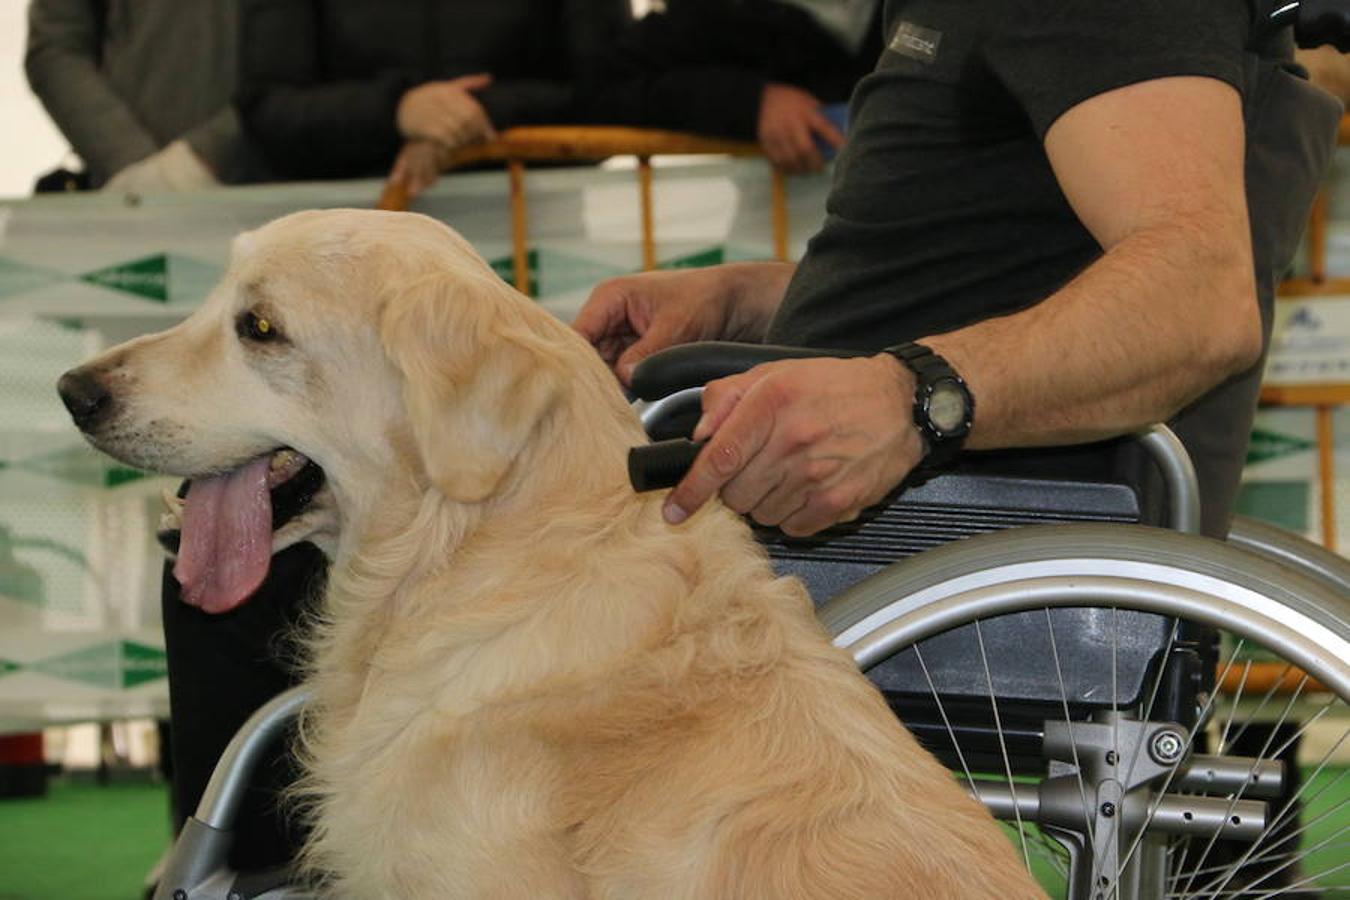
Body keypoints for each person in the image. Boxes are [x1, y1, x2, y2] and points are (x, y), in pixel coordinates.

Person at [575, 2, 1342, 545]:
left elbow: (1196, 299)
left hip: (919, 541)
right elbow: (1012, 270)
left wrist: (915, 403)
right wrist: (753, 300)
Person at [236, 0, 630, 200]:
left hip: (541, 247)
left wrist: (471, 115)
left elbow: (614, 88)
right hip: (349, 247)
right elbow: (267, 109)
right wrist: (396, 109)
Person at [582, 0, 882, 173]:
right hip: (775, 236)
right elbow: (606, 85)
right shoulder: (721, 13)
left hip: (903, 231)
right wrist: (753, 101)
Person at [25, 0, 271, 192]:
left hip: (279, 194)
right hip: (131, 197)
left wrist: (213, 150)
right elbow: (57, 47)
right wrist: (138, 168)